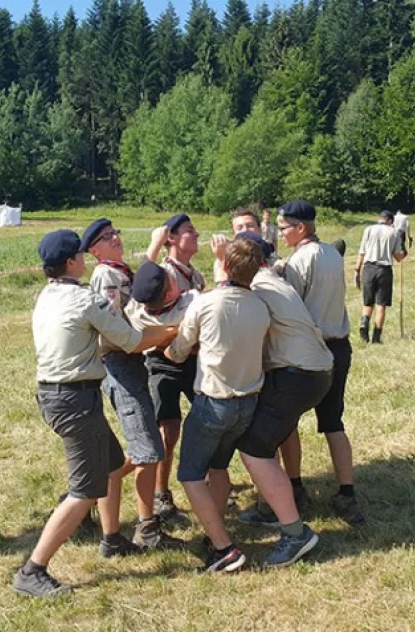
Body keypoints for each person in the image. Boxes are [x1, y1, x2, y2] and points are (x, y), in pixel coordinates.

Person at [14, 230, 176, 599]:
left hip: (58, 395)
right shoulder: (84, 299)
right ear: (73, 262)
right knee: (86, 488)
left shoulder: (47, 294)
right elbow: (132, 341)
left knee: (110, 465)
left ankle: (112, 539)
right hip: (75, 400)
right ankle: (32, 570)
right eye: (79, 255)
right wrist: (174, 331)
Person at [164, 238, 270, 572]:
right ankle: (215, 532)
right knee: (219, 468)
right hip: (248, 403)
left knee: (190, 474)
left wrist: (164, 347)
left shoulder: (206, 303)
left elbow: (179, 350)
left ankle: (223, 547)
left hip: (213, 403)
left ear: (223, 264)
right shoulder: (260, 305)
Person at [226, 232, 328, 567]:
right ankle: (270, 509)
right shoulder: (271, 278)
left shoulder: (257, 289)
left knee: (253, 445)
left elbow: (229, 318)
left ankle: (295, 532)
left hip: (296, 374)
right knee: (265, 438)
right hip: (311, 371)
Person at [81, 218, 183, 550]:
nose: (115, 239)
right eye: (107, 238)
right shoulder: (106, 274)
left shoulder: (119, 270)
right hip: (119, 365)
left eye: (116, 234)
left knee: (146, 445)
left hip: (130, 362)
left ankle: (86, 495)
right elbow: (117, 326)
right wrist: (166, 333)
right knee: (147, 449)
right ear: (94, 250)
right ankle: (146, 528)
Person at [275, 200, 365, 525]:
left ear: (301, 228)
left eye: (284, 227)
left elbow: (289, 305)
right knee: (333, 422)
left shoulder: (300, 260)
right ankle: (346, 493)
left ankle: (295, 487)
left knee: (286, 422)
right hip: (339, 348)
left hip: (309, 352)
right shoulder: (330, 252)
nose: (280, 233)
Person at [143, 213, 205, 520]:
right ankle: (160, 494)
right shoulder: (163, 274)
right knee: (168, 428)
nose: (195, 235)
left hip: (193, 359)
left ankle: (208, 483)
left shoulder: (195, 274)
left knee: (206, 421)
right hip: (164, 359)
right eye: (189, 232)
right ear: (171, 239)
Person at [354, 210, 407, 344]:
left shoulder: (368, 230)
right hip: (384, 270)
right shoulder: (393, 233)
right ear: (390, 221)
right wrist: (404, 249)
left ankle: (364, 323)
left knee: (368, 303)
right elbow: (398, 257)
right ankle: (376, 338)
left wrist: (357, 270)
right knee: (381, 305)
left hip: (368, 268)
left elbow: (362, 251)